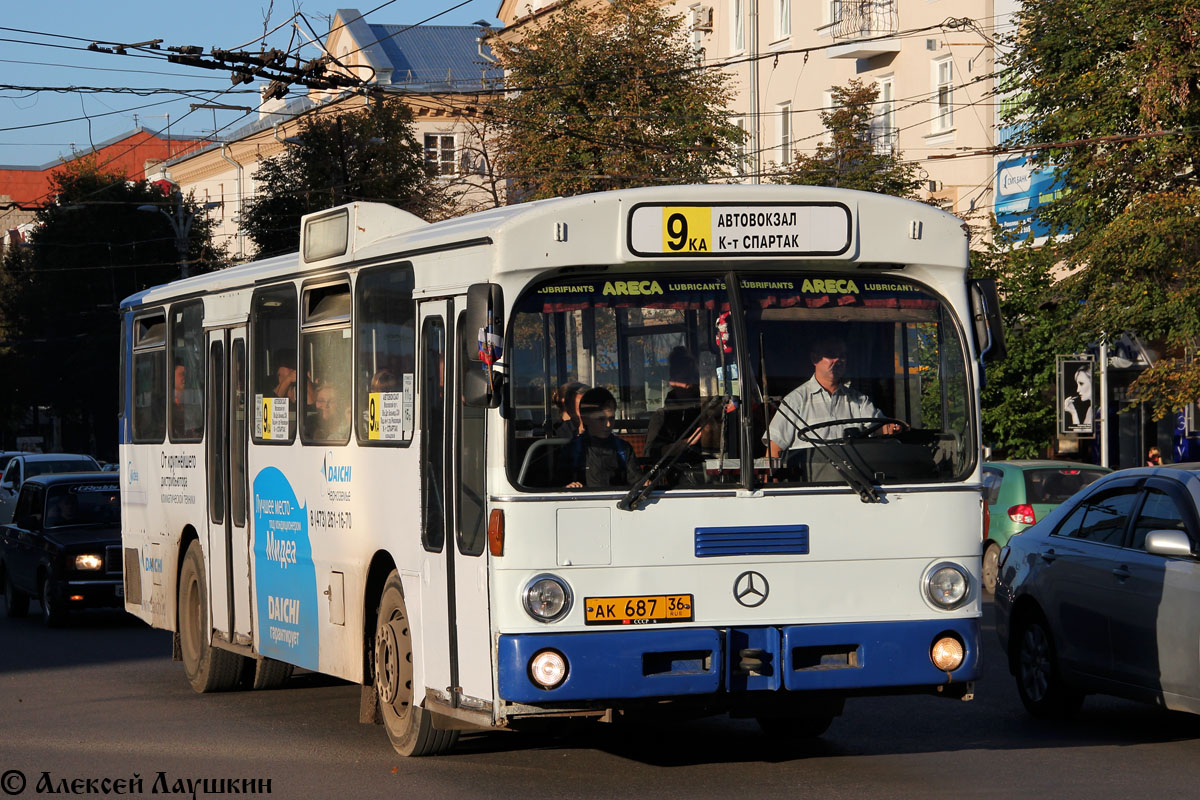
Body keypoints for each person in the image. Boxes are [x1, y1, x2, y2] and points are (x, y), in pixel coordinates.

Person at [766, 334, 899, 459]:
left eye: (842, 356)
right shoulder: (795, 401)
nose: (838, 360)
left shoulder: (859, 401)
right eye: (831, 355)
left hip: (857, 480)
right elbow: (774, 449)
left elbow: (879, 428)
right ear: (814, 359)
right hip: (811, 481)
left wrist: (892, 427)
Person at [564, 387, 640, 488]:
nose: (608, 424)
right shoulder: (571, 450)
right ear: (585, 419)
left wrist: (644, 483)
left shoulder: (623, 449)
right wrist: (568, 488)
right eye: (601, 419)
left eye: (611, 418)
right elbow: (555, 486)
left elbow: (636, 481)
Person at [646, 347, 704, 464]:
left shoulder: (707, 411)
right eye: (685, 378)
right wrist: (687, 442)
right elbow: (651, 453)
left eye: (694, 378)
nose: (690, 384)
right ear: (672, 381)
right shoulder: (661, 417)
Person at [1064, 365, 1093, 429]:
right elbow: (1081, 433)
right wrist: (1073, 412)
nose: (1077, 390)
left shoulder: (1100, 410)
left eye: (1081, 383)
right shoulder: (1091, 409)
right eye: (1077, 384)